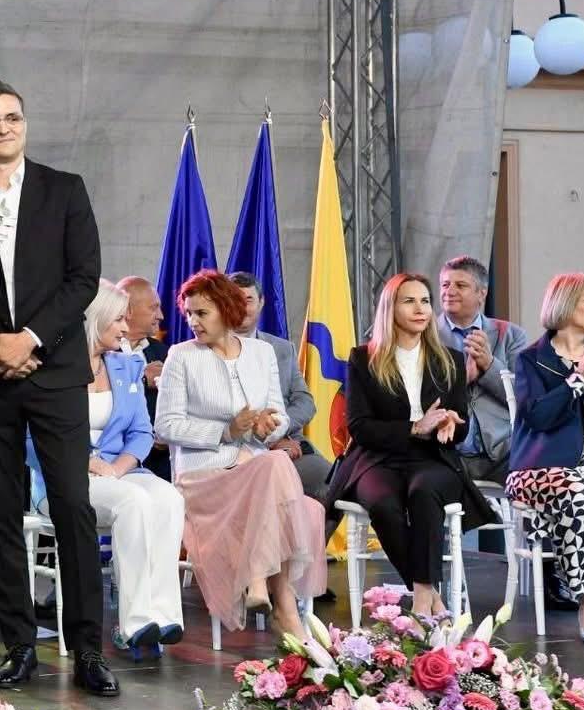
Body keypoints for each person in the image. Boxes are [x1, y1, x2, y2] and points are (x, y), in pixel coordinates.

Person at [0, 79, 114, 696]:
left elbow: (84, 279)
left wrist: (30, 339)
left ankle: (88, 648)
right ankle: (19, 645)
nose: (3, 128)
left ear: (25, 123)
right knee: (0, 511)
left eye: (12, 117)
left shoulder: (64, 189)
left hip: (54, 370)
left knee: (73, 506)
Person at [154, 270, 325, 638]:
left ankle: (268, 589)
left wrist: (268, 427)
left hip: (255, 468)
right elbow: (166, 426)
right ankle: (282, 604)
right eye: (189, 313)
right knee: (275, 466)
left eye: (202, 313)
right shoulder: (180, 357)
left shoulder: (262, 353)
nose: (192, 321)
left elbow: (279, 414)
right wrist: (226, 431)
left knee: (298, 493)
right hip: (204, 476)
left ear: (226, 310)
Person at [328, 272, 500, 617]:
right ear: (390, 309)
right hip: (378, 459)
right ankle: (429, 593)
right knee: (383, 505)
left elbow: (461, 427)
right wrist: (413, 427)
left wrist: (450, 423)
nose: (421, 309)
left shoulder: (450, 359)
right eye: (409, 301)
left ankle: (422, 600)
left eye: (425, 301)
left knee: (424, 494)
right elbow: (360, 427)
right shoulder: (363, 359)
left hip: (433, 457)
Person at [29, 279, 185, 660]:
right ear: (95, 319)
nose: (124, 327)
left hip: (119, 471)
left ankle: (164, 615)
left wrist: (117, 467)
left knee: (168, 498)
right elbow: (32, 439)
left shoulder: (126, 365)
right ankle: (134, 624)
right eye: (118, 319)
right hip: (63, 479)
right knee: (132, 502)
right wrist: (84, 462)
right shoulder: (52, 368)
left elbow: (142, 432)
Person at [505, 273, 584, 644]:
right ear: (567, 306)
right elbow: (538, 417)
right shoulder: (532, 360)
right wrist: (577, 381)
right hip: (542, 467)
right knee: (579, 495)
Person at [227, 271, 336, 532]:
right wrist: (265, 438)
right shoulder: (210, 350)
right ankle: (274, 552)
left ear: (261, 302)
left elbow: (305, 402)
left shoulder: (282, 348)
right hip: (239, 449)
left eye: (248, 299)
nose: (242, 307)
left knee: (334, 487)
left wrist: (278, 427)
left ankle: (306, 553)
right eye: (234, 299)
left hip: (290, 443)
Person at [437, 256, 530, 482]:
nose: (449, 291)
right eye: (445, 284)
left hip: (503, 453)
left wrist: (489, 365)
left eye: (460, 285)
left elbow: (525, 397)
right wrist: (464, 378)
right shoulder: (425, 336)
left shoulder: (511, 335)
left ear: (482, 293)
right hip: (445, 454)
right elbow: (418, 397)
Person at [116, 276, 171, 481]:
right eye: (153, 308)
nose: (161, 316)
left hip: (160, 463)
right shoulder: (101, 350)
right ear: (128, 309)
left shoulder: (164, 352)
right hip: (113, 459)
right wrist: (141, 378)